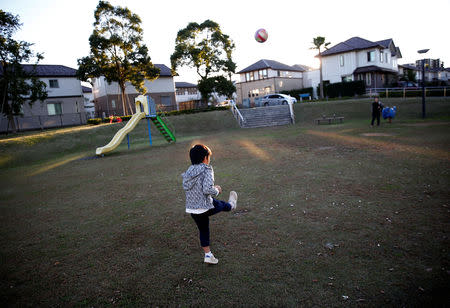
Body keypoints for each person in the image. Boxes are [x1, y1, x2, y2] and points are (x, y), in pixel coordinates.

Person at [182, 144, 238, 265]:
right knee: (222, 205)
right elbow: (207, 189)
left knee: (203, 230)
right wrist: (217, 189)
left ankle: (208, 255)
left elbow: (187, 187)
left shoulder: (189, 171)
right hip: (205, 206)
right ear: (205, 158)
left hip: (192, 209)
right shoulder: (206, 169)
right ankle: (232, 205)